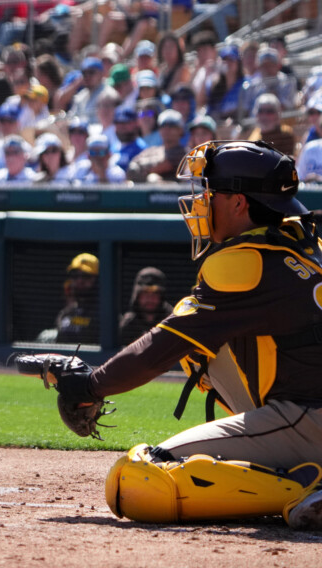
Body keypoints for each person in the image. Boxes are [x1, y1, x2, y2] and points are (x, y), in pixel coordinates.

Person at [48, 141, 322, 530]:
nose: (201, 201)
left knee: (137, 478)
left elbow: (162, 346)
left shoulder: (245, 261)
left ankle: (306, 486)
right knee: (202, 349)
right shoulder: (308, 245)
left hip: (309, 420)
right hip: (308, 408)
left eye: (210, 192)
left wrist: (89, 387)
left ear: (240, 204)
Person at [42, 253, 99, 344]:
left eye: (85, 276)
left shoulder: (106, 314)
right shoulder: (66, 312)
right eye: (75, 275)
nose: (80, 280)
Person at [117, 266, 173, 346]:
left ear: (162, 296)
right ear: (137, 296)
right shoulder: (127, 325)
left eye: (155, 294)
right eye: (145, 293)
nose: (150, 299)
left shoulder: (172, 323)